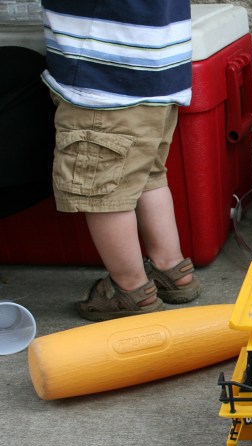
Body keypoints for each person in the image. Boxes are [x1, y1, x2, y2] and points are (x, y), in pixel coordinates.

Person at [41, 0, 200, 321]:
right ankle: (172, 269)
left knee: (104, 195)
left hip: (104, 84)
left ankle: (130, 289)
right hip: (158, 77)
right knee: (147, 177)